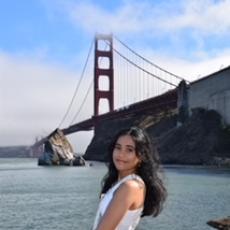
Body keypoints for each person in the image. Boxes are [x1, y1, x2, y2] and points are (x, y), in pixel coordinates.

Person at [92, 126, 167, 230]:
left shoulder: (130, 187)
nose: (121, 154)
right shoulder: (120, 182)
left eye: (129, 150)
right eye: (118, 147)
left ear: (141, 156)